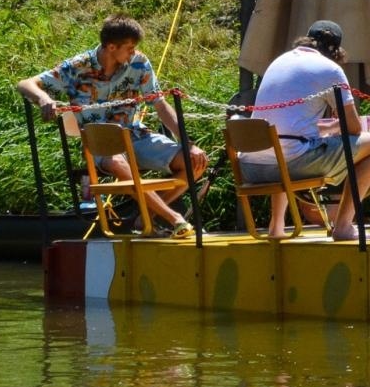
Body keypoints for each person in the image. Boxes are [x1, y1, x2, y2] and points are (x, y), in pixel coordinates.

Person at [18, 14, 207, 238]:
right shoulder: (79, 66)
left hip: (136, 134)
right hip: (101, 143)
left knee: (195, 161)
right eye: (129, 48)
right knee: (116, 160)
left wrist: (189, 143)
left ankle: (146, 216)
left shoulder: (139, 63)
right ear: (111, 46)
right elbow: (25, 83)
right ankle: (174, 218)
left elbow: (160, 104)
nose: (133, 52)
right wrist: (43, 99)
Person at [241, 21, 370, 241]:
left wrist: (329, 128)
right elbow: (355, 128)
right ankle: (344, 226)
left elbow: (287, 122)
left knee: (281, 141)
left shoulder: (279, 61)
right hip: (290, 164)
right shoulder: (330, 69)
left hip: (249, 167)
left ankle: (276, 226)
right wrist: (339, 126)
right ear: (336, 51)